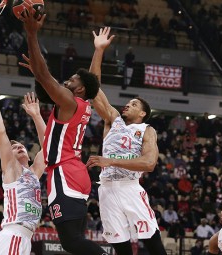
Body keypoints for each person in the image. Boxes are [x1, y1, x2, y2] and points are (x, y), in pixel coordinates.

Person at [19, 5, 107, 255]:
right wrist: (98, 51)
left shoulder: (69, 101)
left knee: (70, 242)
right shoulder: (82, 103)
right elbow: (48, 82)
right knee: (76, 240)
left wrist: (32, 33)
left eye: (72, 81)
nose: (67, 81)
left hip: (64, 174)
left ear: (78, 90)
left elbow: (47, 78)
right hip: (76, 174)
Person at [84, 27, 166, 255]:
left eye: (134, 104)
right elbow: (92, 89)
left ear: (142, 114)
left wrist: (110, 161)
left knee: (152, 243)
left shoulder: (146, 130)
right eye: (128, 102)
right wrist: (99, 51)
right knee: (120, 248)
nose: (128, 105)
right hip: (107, 190)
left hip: (130, 188)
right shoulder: (113, 119)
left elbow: (149, 164)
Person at [0, 76, 46, 255]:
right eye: (14, 147)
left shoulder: (33, 172)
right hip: (13, 234)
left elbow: (49, 146)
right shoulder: (12, 168)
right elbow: (0, 131)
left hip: (24, 237)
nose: (19, 147)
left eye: (22, 146)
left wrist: (37, 115)